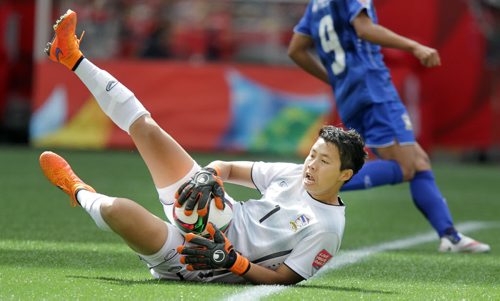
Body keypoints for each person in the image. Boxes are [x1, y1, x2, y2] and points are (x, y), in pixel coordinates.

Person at [40, 9, 367, 284]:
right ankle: (72, 57)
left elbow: (285, 278)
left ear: (345, 174)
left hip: (203, 261)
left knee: (115, 210)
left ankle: (77, 190)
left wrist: (232, 262)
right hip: (216, 212)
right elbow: (229, 169)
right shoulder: (294, 173)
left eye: (324, 161)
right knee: (147, 129)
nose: (311, 165)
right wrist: (208, 175)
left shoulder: (328, 228)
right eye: (313, 154)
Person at [288, 0, 490, 253]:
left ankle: (449, 236)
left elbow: (296, 49)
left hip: (350, 94)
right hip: (374, 90)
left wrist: (335, 81)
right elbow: (363, 28)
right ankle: (302, 182)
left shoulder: (318, 4)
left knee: (419, 161)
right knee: (407, 167)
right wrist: (413, 46)